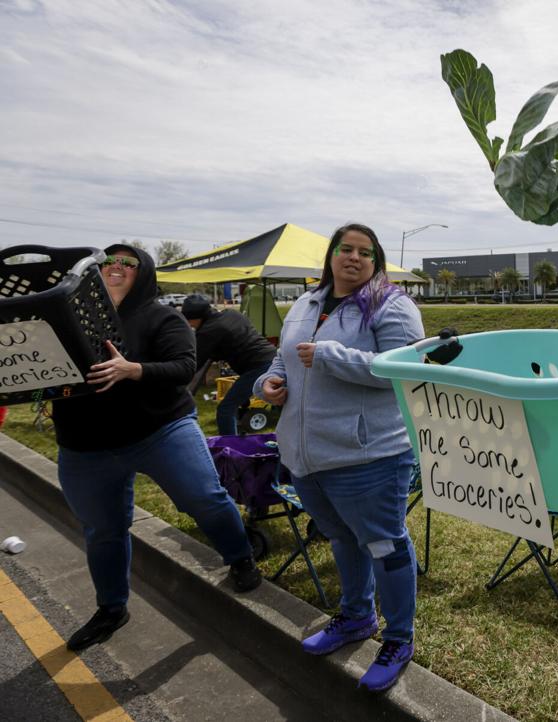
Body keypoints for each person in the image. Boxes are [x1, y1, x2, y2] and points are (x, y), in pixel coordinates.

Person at [52, 245, 261, 653]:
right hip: (85, 446)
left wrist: (134, 370)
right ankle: (111, 609)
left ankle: (240, 557)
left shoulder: (161, 316)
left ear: (143, 273)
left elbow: (184, 366)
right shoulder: (64, 318)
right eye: (108, 261)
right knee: (103, 531)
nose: (116, 267)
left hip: (160, 430)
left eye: (127, 263)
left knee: (205, 499)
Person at [254, 223, 424, 692]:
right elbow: (282, 361)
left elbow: (404, 371)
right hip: (307, 456)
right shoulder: (306, 303)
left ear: (377, 261)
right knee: (342, 539)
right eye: (344, 249)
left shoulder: (391, 304)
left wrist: (332, 355)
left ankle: (399, 638)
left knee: (384, 543)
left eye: (364, 252)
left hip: (368, 455)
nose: (353, 257)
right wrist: (266, 385)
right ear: (330, 255)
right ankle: (355, 618)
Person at [180, 294, 276, 435]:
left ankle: (229, 448)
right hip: (272, 358)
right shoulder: (231, 314)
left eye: (189, 321)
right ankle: (238, 432)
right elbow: (233, 340)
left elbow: (194, 364)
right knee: (237, 400)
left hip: (259, 366)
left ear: (197, 318)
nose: (189, 325)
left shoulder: (209, 331)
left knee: (225, 409)